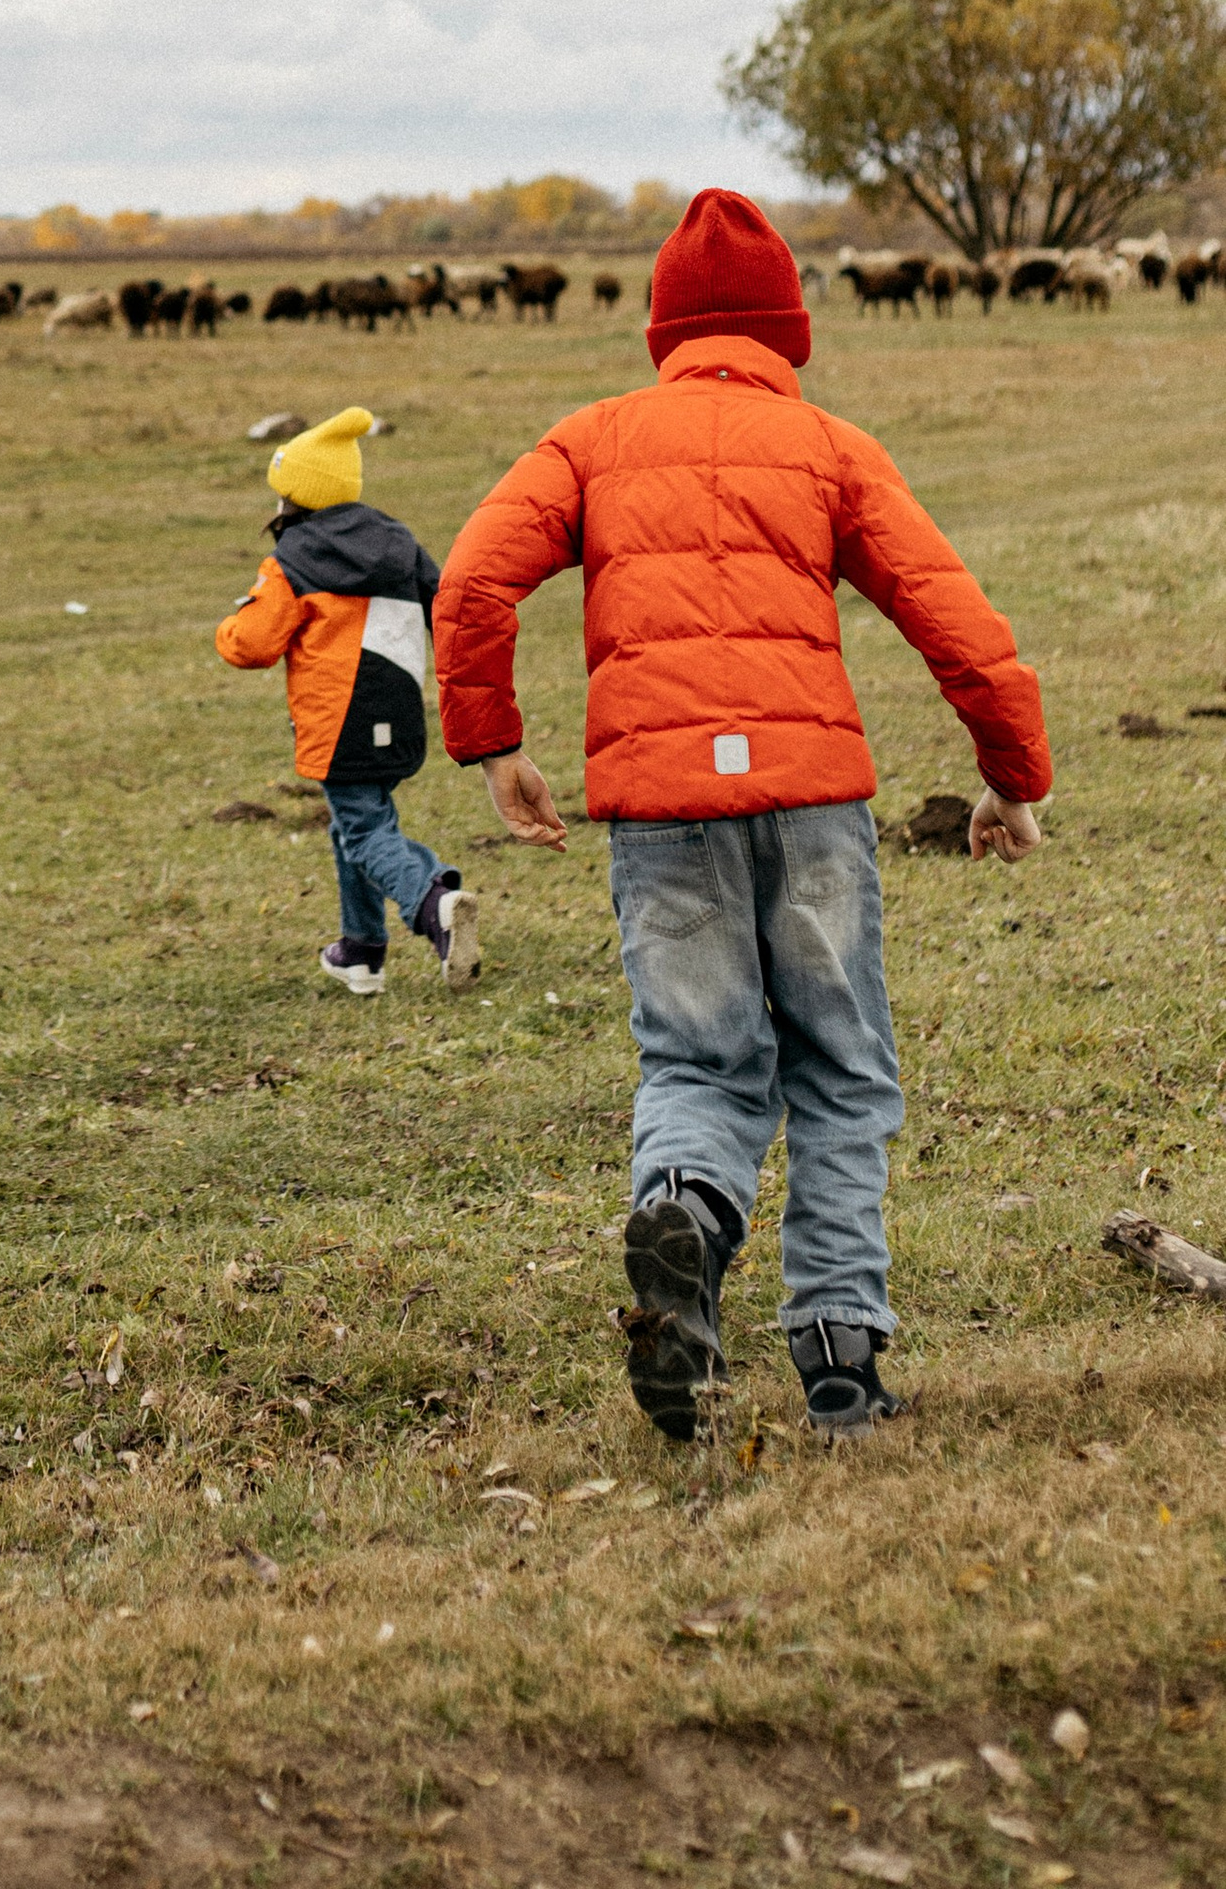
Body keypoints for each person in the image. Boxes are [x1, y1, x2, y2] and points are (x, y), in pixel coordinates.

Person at [430, 188, 1051, 1443]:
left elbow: (473, 581)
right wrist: (1009, 777)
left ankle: (689, 1211)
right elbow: (958, 623)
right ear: (788, 331)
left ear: (662, 331)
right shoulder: (827, 447)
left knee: (695, 1060)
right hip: (811, 805)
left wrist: (493, 747)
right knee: (840, 1068)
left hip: (660, 808)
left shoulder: (591, 441)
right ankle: (839, 1358)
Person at [215, 405, 479, 995]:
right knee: (356, 823)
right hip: (400, 711)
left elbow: (251, 646)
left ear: (295, 495)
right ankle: (361, 950)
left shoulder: (292, 561)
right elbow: (446, 609)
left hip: (338, 722)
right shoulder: (399, 543)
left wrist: (231, 624)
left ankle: (430, 899)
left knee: (364, 832)